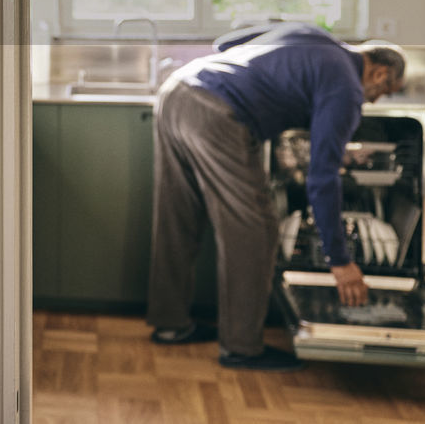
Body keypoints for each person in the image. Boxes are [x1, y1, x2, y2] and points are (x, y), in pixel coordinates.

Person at [145, 21, 405, 371]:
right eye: (385, 91)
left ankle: (170, 324)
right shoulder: (347, 86)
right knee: (257, 228)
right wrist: (340, 261)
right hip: (217, 113)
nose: (376, 99)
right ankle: (241, 347)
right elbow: (322, 178)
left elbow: (226, 42)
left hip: (177, 90)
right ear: (380, 72)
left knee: (178, 216)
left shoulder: (311, 34)